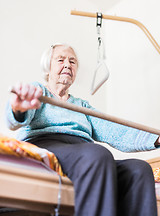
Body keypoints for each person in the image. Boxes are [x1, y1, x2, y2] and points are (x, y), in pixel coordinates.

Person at [6, 43, 160, 216]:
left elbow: (115, 131)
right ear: (47, 67)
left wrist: (156, 139)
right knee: (97, 154)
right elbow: (17, 117)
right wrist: (18, 109)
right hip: (46, 145)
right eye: (60, 59)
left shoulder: (82, 106)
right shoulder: (39, 91)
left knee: (139, 170)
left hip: (81, 152)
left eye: (72, 62)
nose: (67, 65)